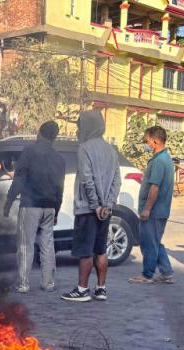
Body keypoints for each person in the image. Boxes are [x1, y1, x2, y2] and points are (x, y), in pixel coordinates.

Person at [61, 110, 121, 302]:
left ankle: (82, 290)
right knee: (101, 250)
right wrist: (107, 204)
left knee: (85, 250)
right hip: (105, 210)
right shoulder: (111, 150)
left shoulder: (84, 148)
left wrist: (95, 205)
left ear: (87, 126)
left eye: (80, 125)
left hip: (88, 209)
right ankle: (101, 289)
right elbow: (117, 181)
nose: (78, 129)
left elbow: (87, 179)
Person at [4, 121, 64, 294]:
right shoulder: (59, 158)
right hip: (50, 207)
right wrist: (56, 211)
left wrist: (9, 201)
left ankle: (23, 284)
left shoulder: (29, 151)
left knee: (25, 245)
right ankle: (48, 283)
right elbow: (60, 188)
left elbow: (19, 178)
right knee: (47, 245)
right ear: (54, 137)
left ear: (39, 132)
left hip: (31, 205)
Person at [128, 126, 175, 285]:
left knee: (149, 243)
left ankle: (147, 275)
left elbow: (155, 188)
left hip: (154, 211)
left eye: (147, 141)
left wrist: (147, 209)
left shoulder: (159, 161)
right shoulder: (164, 158)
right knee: (155, 242)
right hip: (160, 210)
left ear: (154, 141)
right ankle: (166, 272)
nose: (145, 144)